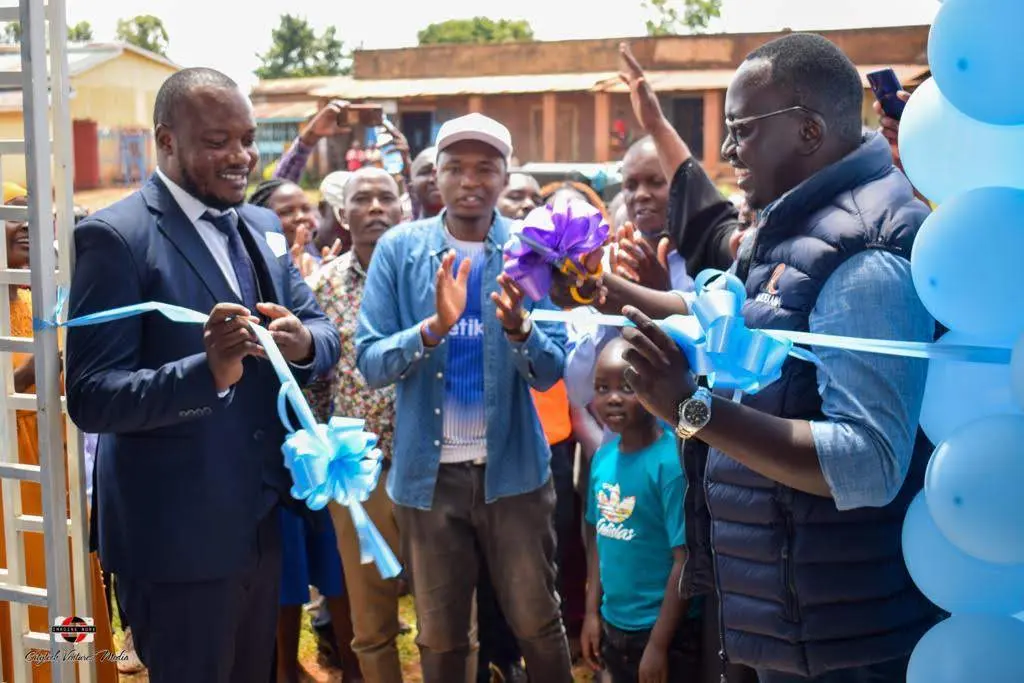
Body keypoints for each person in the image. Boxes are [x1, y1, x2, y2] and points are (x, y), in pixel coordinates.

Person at [618, 34, 939, 683]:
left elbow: (869, 461)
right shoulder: (790, 228)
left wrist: (689, 407)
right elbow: (735, 309)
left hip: (845, 637)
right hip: (791, 621)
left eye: (741, 130)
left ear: (810, 130)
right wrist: (610, 296)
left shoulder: (868, 256)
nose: (729, 150)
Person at [65, 68, 340, 683]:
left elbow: (323, 331)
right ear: (167, 141)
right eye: (218, 141)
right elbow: (90, 397)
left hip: (262, 517)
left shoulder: (263, 228)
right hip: (174, 538)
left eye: (247, 139)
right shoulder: (115, 238)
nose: (241, 156)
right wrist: (207, 372)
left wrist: (300, 343)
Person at [355, 113, 573, 683]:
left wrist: (523, 329)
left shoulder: (530, 251)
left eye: (485, 167)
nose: (469, 180)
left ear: (505, 176)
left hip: (514, 474)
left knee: (537, 621)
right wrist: (431, 329)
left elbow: (551, 371)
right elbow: (370, 362)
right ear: (436, 175)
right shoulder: (399, 251)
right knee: (442, 636)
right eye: (455, 167)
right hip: (429, 480)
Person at [0, 192, 118, 683]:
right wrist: (37, 369)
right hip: (9, 477)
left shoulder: (33, 304)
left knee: (65, 585)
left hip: (54, 467)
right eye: (10, 217)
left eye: (32, 216)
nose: (25, 226)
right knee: (22, 585)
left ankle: (70, 671)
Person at [306, 166, 407, 683]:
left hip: (432, 471)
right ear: (341, 215)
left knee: (450, 619)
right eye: (360, 199)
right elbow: (313, 385)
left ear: (402, 206)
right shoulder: (321, 288)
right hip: (359, 476)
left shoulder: (431, 274)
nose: (373, 208)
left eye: (384, 197)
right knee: (371, 624)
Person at [581, 338, 699, 683]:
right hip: (613, 624)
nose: (613, 398)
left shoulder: (669, 465)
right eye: (602, 388)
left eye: (628, 387)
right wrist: (591, 613)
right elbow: (598, 541)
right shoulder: (602, 459)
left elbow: (684, 560)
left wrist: (659, 646)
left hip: (666, 633)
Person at [249, 178, 325, 279]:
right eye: (286, 212)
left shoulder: (319, 266)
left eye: (306, 209)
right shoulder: (254, 273)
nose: (301, 216)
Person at [408, 146, 443, 220]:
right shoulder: (402, 231)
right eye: (425, 172)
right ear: (411, 190)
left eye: (441, 171)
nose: (434, 179)